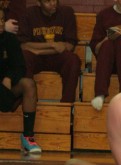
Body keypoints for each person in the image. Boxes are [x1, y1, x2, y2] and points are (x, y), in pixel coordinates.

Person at [17, 0, 81, 103]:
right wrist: (52, 44)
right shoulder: (28, 13)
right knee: (24, 57)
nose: (53, 3)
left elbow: (69, 46)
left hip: (56, 57)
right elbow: (23, 45)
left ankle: (66, 105)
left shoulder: (67, 12)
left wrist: (38, 50)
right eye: (47, 1)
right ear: (38, 3)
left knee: (73, 60)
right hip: (36, 58)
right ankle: (29, 101)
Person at [0, 8, 41, 153]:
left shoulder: (10, 39)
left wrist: (9, 77)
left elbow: (20, 67)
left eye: (2, 20)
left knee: (28, 84)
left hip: (7, 89)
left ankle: (28, 137)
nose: (0, 24)